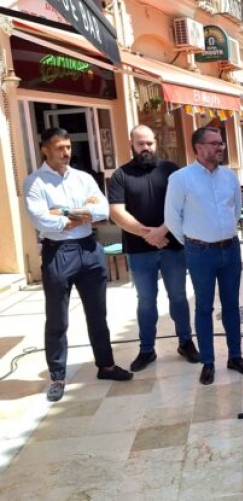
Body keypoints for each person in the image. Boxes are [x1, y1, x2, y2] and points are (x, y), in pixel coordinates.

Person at [23, 128, 133, 402]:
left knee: (98, 314)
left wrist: (62, 212)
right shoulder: (34, 183)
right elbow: (41, 221)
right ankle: (58, 376)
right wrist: (81, 213)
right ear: (45, 149)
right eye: (60, 147)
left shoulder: (83, 178)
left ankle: (106, 365)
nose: (66, 152)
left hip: (89, 249)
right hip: (58, 252)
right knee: (58, 318)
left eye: (68, 147)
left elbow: (102, 210)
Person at [164, 127, 243, 385]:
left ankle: (235, 356)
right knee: (204, 307)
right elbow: (172, 217)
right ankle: (208, 362)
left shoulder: (229, 177)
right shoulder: (181, 178)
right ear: (198, 148)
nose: (220, 148)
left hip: (230, 249)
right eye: (214, 144)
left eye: (221, 143)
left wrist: (223, 234)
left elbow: (236, 209)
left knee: (232, 306)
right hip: (199, 252)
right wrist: (193, 242)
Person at [108, 125, 199, 372]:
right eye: (140, 144)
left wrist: (162, 231)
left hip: (173, 246)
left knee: (178, 296)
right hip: (140, 250)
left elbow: (184, 206)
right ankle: (147, 349)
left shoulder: (172, 171)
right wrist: (147, 234)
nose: (146, 148)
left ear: (155, 143)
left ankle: (185, 342)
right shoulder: (120, 175)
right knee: (146, 300)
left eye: (149, 143)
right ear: (131, 145)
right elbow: (117, 212)